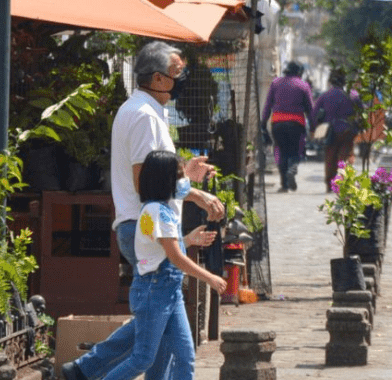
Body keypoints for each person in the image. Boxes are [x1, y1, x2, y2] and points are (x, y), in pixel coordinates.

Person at [63, 41, 225, 380]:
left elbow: (155, 176)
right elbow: (147, 182)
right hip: (146, 229)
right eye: (178, 72)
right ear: (158, 78)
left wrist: (186, 179)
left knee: (159, 330)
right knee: (152, 337)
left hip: (147, 228)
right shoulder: (144, 117)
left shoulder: (144, 111)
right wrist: (193, 192)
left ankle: (83, 369)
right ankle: (85, 369)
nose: (183, 78)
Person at [102, 150, 227, 379]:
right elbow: (175, 257)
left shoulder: (155, 209)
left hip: (166, 291)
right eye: (178, 175)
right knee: (143, 358)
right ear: (165, 180)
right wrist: (209, 277)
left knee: (185, 356)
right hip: (154, 291)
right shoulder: (158, 212)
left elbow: (159, 248)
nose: (183, 181)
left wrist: (188, 240)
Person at [261, 61, 314, 192]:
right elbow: (310, 109)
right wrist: (313, 126)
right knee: (296, 151)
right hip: (296, 124)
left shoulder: (275, 83)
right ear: (299, 72)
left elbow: (268, 105)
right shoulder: (303, 85)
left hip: (277, 123)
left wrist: (263, 123)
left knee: (281, 152)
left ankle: (284, 185)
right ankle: (293, 168)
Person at [310, 69, 359, 192]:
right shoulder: (353, 95)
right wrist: (358, 129)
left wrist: (314, 129)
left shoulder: (325, 95)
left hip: (330, 132)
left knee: (330, 158)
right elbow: (361, 112)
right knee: (344, 158)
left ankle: (330, 185)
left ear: (331, 81)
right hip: (348, 131)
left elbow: (314, 114)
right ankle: (342, 183)